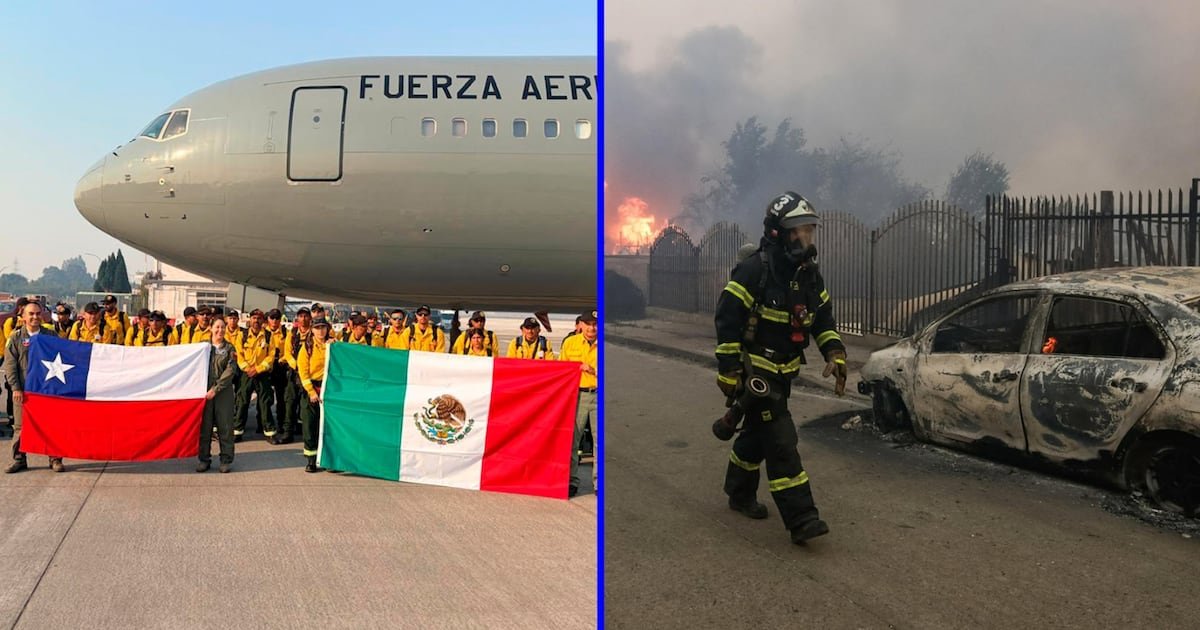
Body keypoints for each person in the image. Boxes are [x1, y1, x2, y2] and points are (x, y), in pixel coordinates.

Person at [714, 191, 845, 545]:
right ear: (777, 232)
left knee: (756, 436)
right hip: (756, 374)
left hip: (785, 373)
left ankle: (739, 492)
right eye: (798, 231)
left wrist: (835, 352)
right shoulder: (755, 270)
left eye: (809, 230)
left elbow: (823, 319)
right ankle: (802, 519)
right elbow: (727, 318)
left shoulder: (808, 276)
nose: (806, 238)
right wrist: (729, 369)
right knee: (781, 441)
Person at [4, 301, 65, 473]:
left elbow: (63, 357)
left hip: (47, 391)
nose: (35, 317)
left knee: (52, 426)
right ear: (23, 316)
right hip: (24, 392)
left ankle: (55, 459)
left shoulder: (51, 336)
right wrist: (15, 388)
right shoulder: (16, 338)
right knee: (20, 427)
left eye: (38, 313)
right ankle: (19, 459)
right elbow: (10, 365)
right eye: (31, 314)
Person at [559, 309, 598, 498]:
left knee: (600, 443)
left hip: (599, 395)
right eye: (588, 324)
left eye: (595, 324)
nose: (592, 328)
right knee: (572, 441)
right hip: (577, 397)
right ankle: (571, 481)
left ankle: (599, 483)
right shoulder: (570, 343)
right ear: (580, 325)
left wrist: (594, 370)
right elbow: (560, 370)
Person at [197, 318, 237, 473]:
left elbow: (230, 371)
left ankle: (226, 460)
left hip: (223, 393)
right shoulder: (203, 347)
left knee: (225, 427)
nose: (220, 330)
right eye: (217, 327)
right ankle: (204, 459)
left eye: (223, 327)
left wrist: (216, 388)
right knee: (205, 428)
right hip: (205, 392)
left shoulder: (229, 348)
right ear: (211, 328)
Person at [235, 309, 278, 443]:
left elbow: (271, 356)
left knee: (265, 403)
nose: (256, 321)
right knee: (242, 402)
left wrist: (258, 369)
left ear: (263, 321)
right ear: (250, 319)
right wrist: (248, 369)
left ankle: (270, 432)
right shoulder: (242, 335)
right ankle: (237, 431)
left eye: (259, 318)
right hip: (246, 373)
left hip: (262, 374)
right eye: (254, 318)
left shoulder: (269, 336)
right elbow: (239, 355)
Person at [298, 317, 334, 473]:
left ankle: (328, 460)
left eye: (323, 327)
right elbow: (303, 371)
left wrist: (335, 346)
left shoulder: (333, 345)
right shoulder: (307, 347)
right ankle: (311, 460)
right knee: (310, 426)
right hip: (312, 389)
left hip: (329, 388)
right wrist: (311, 392)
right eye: (317, 328)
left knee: (328, 426)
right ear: (312, 330)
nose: (320, 331)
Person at [282, 308, 314, 437]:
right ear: (297, 318)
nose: (303, 319)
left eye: (306, 316)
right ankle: (287, 432)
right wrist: (296, 365)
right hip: (294, 372)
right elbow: (287, 353)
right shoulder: (293, 333)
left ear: (310, 318)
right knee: (290, 402)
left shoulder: (314, 334)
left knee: (305, 405)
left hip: (308, 373)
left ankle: (303, 430)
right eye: (301, 316)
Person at [265, 309, 292, 440]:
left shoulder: (286, 333)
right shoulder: (264, 333)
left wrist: (283, 360)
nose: (274, 321)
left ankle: (281, 423)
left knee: (282, 398)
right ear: (268, 319)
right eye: (272, 318)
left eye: (277, 318)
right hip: (266, 366)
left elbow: (289, 350)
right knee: (265, 397)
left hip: (280, 365)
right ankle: (263, 423)